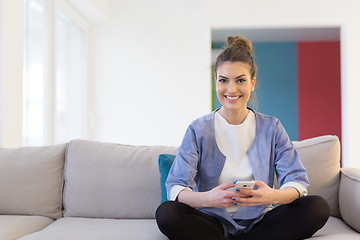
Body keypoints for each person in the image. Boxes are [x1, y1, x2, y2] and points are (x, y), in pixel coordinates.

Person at [155, 35, 330, 240]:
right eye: (223, 80)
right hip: (211, 222)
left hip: (260, 221)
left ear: (252, 83)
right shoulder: (198, 129)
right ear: (215, 82)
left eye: (240, 80)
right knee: (167, 213)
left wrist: (271, 195)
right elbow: (177, 188)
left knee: (318, 207)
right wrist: (210, 198)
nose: (231, 89)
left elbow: (296, 181)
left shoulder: (271, 127)